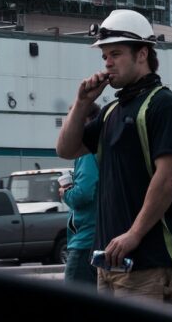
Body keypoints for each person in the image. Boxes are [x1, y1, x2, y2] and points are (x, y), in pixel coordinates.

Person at [57, 9, 172, 308]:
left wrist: (134, 234)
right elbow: (66, 149)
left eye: (115, 53)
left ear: (142, 53)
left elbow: (168, 176)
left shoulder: (163, 105)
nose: (107, 63)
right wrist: (81, 103)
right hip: (108, 262)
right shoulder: (111, 111)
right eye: (104, 56)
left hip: (147, 262)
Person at [61, 103, 101, 287]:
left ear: (86, 120)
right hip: (99, 237)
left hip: (84, 242)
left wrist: (66, 192)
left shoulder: (86, 152)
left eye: (73, 120)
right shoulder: (102, 146)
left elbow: (83, 194)